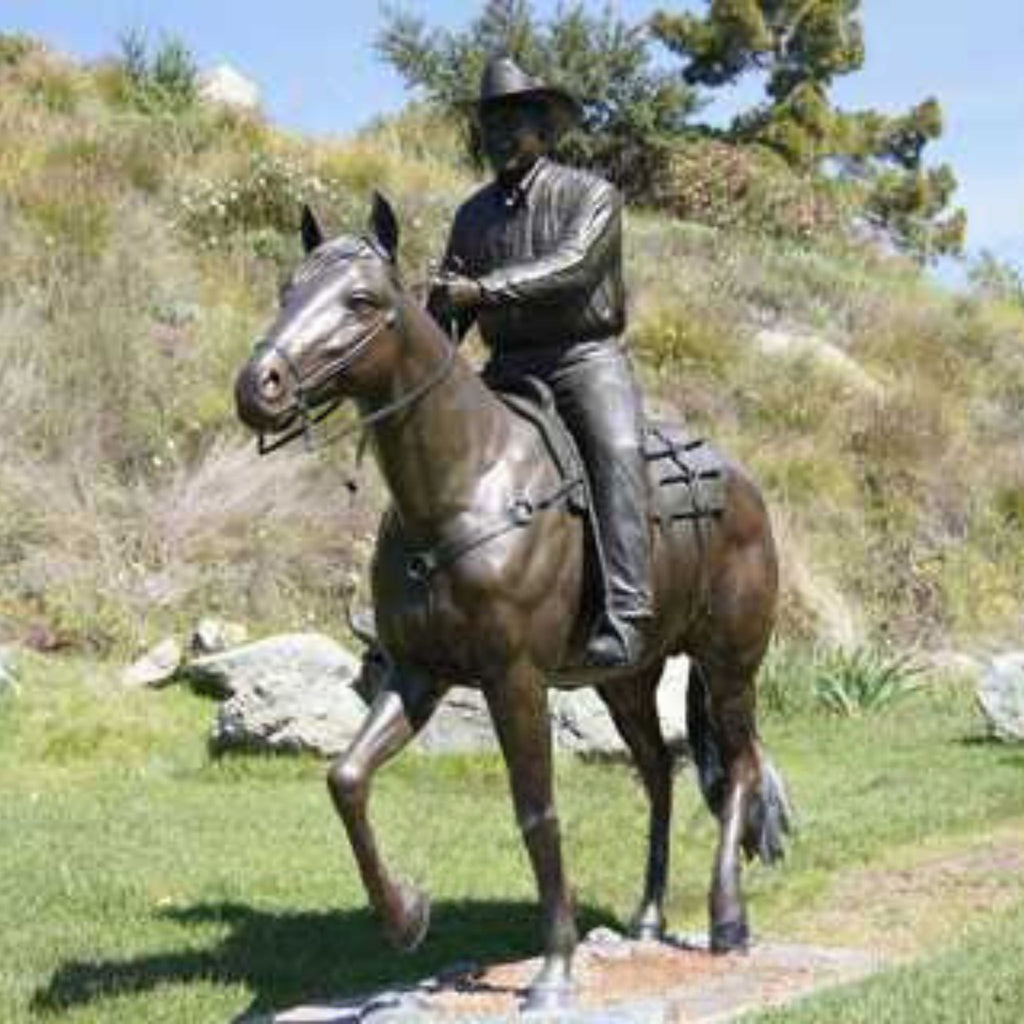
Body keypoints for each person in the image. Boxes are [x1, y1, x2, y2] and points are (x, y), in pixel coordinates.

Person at [428, 55, 652, 669]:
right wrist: (432, 321)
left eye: (511, 122)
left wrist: (482, 290)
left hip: (583, 359)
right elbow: (450, 310)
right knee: (432, 451)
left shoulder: (592, 195)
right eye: (489, 124)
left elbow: (573, 265)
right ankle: (419, 604)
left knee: (616, 449)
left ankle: (627, 613)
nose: (498, 135)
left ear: (544, 130)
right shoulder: (471, 215)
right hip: (507, 365)